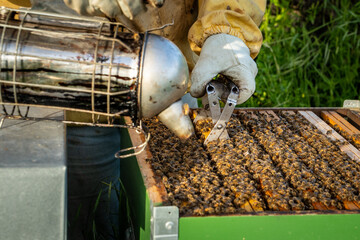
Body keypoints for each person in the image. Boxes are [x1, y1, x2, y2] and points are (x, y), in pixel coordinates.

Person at [2, 0, 266, 239]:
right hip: (70, 72)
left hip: (170, 71)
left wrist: (227, 29)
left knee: (182, 204)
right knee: (88, 220)